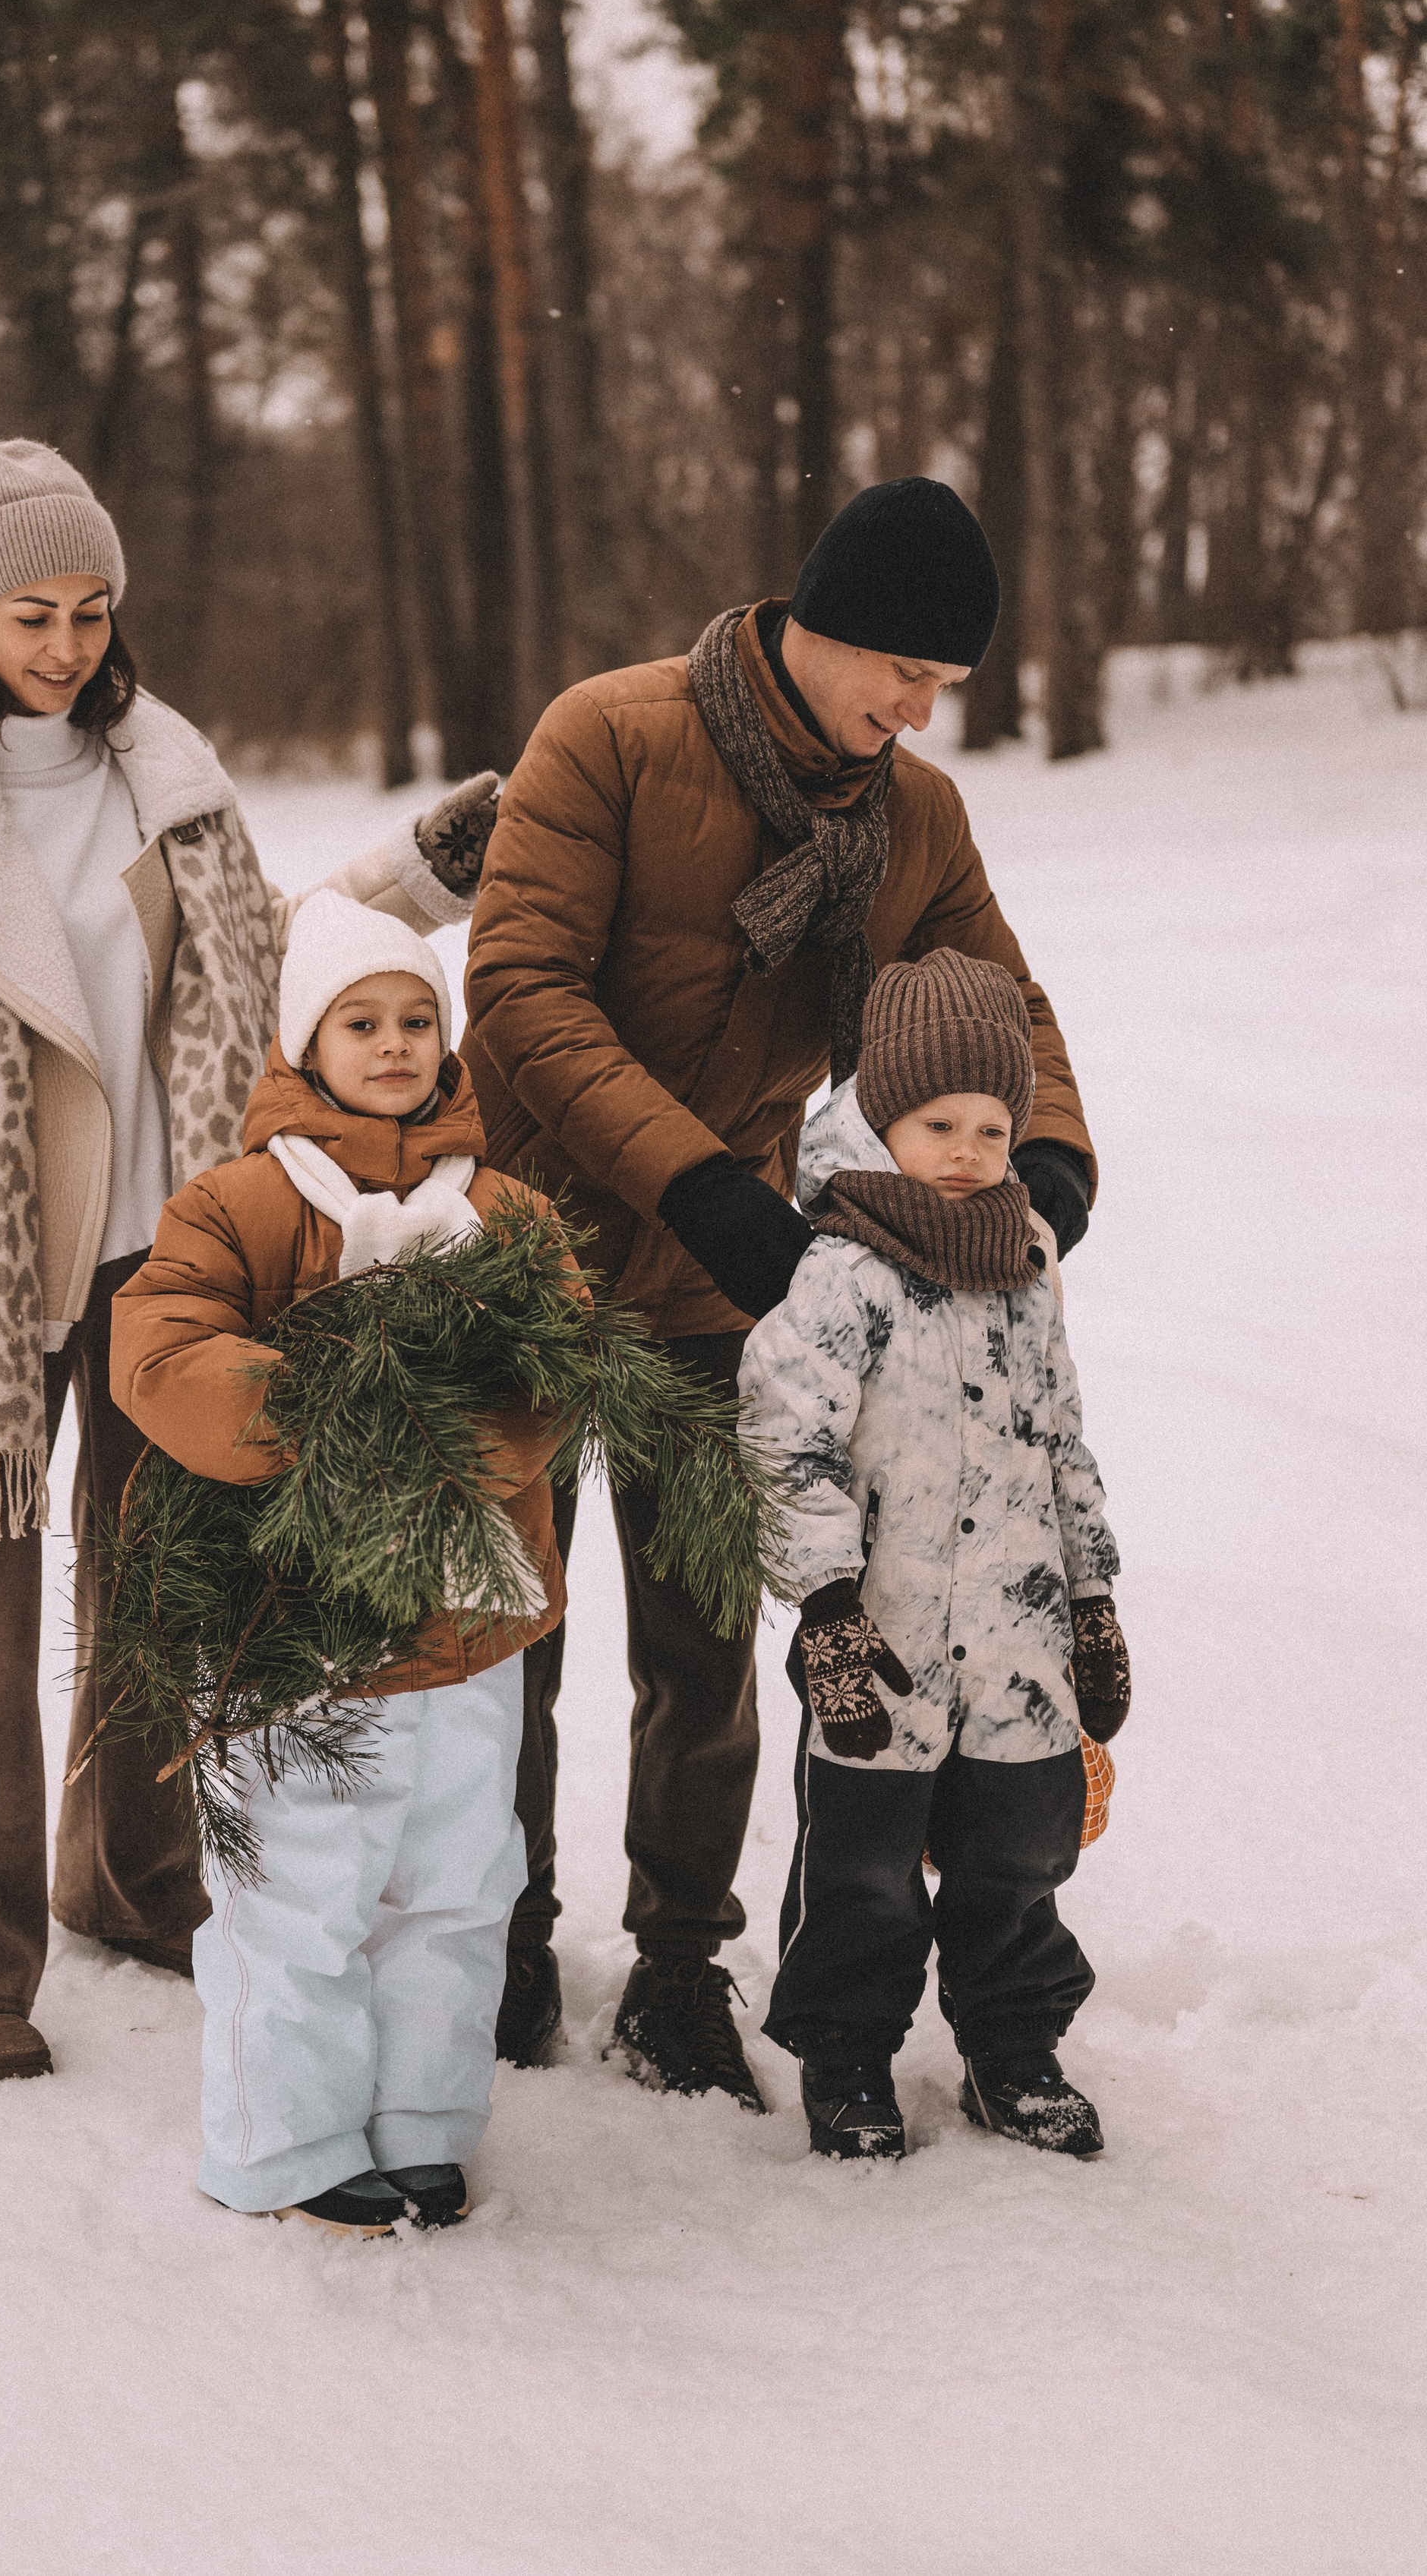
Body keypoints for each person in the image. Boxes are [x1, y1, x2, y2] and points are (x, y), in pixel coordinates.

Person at [0, 442, 497, 2081]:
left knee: (165, 1578)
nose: (69, 644)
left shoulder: (169, 777)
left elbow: (276, 944)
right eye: (35, 614)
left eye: (91, 611)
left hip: (168, 1243)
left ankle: (134, 1874)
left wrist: (418, 876)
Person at [462, 475, 1097, 2099]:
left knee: (700, 1653)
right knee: (499, 1640)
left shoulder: (910, 815)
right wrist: (687, 1177)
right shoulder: (605, 736)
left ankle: (677, 1969)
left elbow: (993, 998)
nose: (915, 704)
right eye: (901, 667)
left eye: (939, 684)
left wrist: (1048, 1161)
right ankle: (499, 1939)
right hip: (522, 1260)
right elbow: (519, 988)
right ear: (819, 625)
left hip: (727, 1282)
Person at [112, 894, 570, 2234]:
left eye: (418, 1019)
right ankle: (286, 2141)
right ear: (306, 1041)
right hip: (297, 1627)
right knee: (303, 1890)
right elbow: (163, 1345)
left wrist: (454, 1439)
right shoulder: (243, 1202)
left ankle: (425, 2117)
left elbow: (549, 1370)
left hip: (466, 1620)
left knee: (456, 1880)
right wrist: (328, 1421)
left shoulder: (505, 1211)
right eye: (360, 1022)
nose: (393, 1044)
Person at [736, 947, 1129, 2161]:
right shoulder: (842, 1274)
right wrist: (827, 1608)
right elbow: (781, 1438)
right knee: (861, 1863)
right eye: (936, 1122)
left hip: (1018, 1649)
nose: (966, 1150)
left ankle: (1013, 2050)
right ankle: (848, 2054)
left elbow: (1065, 1445)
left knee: (1019, 1852)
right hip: (884, 1644)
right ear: (881, 1123)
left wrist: (1096, 1598)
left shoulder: (1022, 1274)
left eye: (992, 1126)